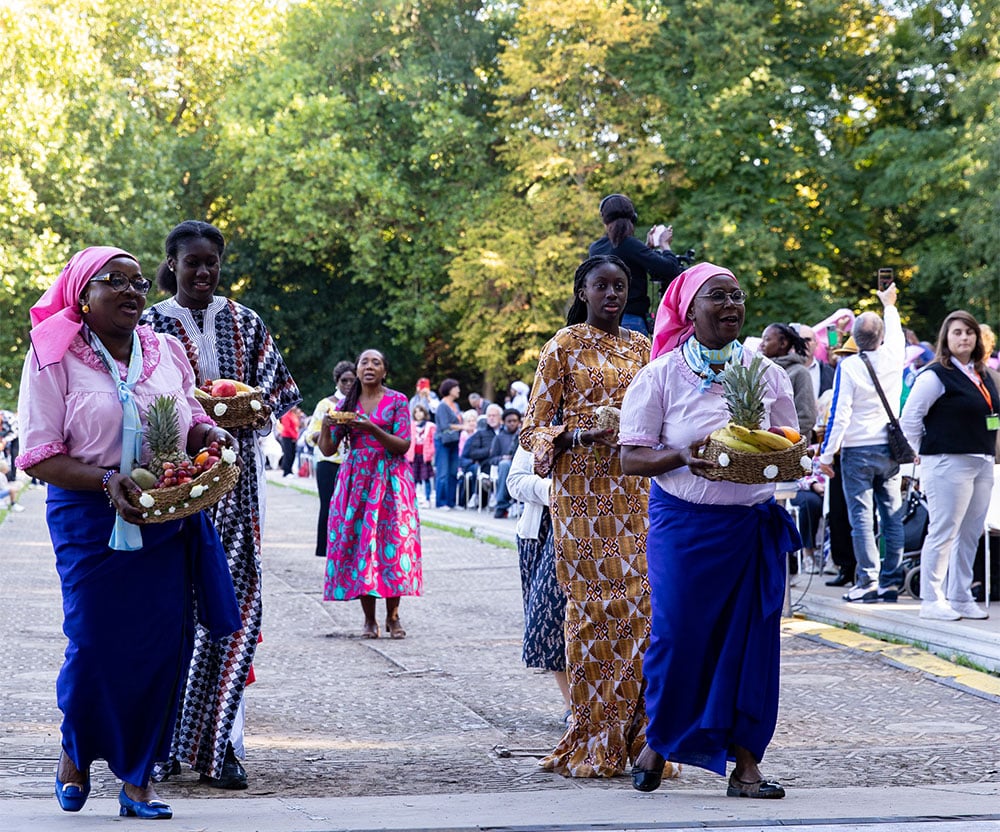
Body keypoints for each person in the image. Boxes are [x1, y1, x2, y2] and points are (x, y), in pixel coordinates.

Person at [16, 246, 240, 819]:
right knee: (92, 642)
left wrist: (209, 442)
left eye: (138, 282)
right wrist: (105, 480)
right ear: (81, 297)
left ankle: (139, 779)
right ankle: (75, 753)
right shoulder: (52, 354)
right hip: (89, 517)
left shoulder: (165, 350)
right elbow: (40, 454)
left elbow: (191, 418)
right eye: (112, 281)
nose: (131, 291)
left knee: (161, 648)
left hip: (163, 513)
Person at [620, 261, 798, 798]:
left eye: (737, 296)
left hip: (749, 527)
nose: (730, 306)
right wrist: (680, 454)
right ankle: (660, 740)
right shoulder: (661, 375)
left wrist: (787, 453)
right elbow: (630, 458)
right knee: (678, 636)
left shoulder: (766, 372)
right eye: (717, 296)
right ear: (688, 310)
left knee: (750, 645)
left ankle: (747, 767)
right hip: (684, 525)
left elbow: (788, 438)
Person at [143, 220, 301, 790]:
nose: (204, 272)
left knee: (232, 609)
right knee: (167, 610)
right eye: (193, 263)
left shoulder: (246, 323)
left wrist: (244, 410)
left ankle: (224, 744)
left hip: (237, 488)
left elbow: (275, 400)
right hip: (170, 486)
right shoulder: (149, 326)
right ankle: (161, 744)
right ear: (173, 264)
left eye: (212, 262)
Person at [519, 254, 651, 778]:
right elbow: (533, 431)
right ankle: (593, 734)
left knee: (640, 612)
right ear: (583, 291)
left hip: (636, 492)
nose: (613, 295)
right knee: (593, 617)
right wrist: (578, 436)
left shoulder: (642, 347)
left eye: (620, 286)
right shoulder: (562, 346)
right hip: (581, 495)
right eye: (602, 286)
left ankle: (640, 737)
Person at [901, 311, 998, 620]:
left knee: (971, 533)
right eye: (957, 332)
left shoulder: (981, 374)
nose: (964, 338)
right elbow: (910, 418)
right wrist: (924, 452)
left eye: (969, 332)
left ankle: (960, 594)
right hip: (946, 461)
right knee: (943, 530)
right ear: (946, 337)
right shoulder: (935, 375)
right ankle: (931, 598)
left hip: (981, 460)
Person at [319, 348, 422, 638]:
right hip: (356, 483)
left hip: (390, 481)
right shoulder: (346, 403)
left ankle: (393, 616)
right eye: (364, 361)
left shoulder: (398, 400)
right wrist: (327, 427)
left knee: (392, 545)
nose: (369, 366)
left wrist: (371, 427)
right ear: (357, 369)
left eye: (376, 362)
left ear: (384, 371)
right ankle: (369, 620)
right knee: (361, 548)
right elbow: (328, 449)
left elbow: (403, 445)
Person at [818, 285, 905, 604]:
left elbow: (840, 415)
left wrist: (826, 456)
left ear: (854, 338)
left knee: (862, 519)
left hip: (856, 451)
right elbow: (894, 333)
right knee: (892, 516)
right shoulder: (895, 356)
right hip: (890, 449)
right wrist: (889, 305)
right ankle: (891, 583)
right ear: (880, 337)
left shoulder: (849, 366)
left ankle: (867, 580)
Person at [505, 445, 570, 720]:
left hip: (595, 528)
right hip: (541, 533)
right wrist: (555, 492)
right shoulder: (540, 425)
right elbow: (515, 481)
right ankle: (572, 705)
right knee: (548, 621)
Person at [587, 193, 682, 336]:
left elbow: (625, 261)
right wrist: (665, 245)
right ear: (633, 218)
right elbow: (671, 270)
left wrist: (646, 248)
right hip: (631, 320)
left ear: (604, 220)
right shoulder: (629, 245)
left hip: (601, 323)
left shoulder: (595, 248)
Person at [305, 360, 357, 557]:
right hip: (329, 462)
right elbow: (310, 435)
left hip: (352, 463)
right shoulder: (326, 404)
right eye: (344, 380)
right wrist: (331, 432)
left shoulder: (359, 404)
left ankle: (348, 545)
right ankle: (325, 548)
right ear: (337, 381)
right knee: (328, 504)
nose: (348, 385)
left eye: (352, 381)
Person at [759, 323, 817, 439]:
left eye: (767, 339)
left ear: (783, 343)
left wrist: (783, 439)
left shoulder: (800, 372)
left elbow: (807, 417)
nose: (761, 344)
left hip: (791, 448)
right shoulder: (762, 371)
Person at [433, 379, 463, 509]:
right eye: (456, 388)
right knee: (443, 472)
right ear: (450, 389)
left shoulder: (455, 406)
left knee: (452, 472)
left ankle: (451, 502)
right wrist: (462, 427)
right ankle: (441, 502)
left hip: (454, 441)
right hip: (443, 442)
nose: (458, 390)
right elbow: (445, 425)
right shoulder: (442, 406)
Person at [790, 323, 835, 401]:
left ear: (816, 343)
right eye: (800, 340)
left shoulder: (829, 372)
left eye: (808, 340)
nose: (804, 344)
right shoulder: (784, 370)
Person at [490, 407, 522, 518]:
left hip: (521, 466)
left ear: (519, 422)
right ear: (504, 422)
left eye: (515, 421)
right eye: (509, 421)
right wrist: (502, 458)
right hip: (505, 468)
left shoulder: (523, 436)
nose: (512, 424)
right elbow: (492, 459)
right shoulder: (499, 438)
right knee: (505, 465)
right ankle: (501, 505)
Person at [406, 404, 436, 507]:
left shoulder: (430, 426)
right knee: (413, 479)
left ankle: (427, 499)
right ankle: (411, 499)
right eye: (416, 412)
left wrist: (431, 453)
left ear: (424, 413)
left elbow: (433, 441)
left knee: (426, 478)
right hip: (413, 456)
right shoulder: (411, 425)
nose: (418, 414)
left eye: (420, 411)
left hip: (425, 456)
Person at [278, 406, 302, 477]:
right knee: (288, 454)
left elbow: (296, 426)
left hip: (293, 437)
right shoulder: (286, 415)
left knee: (293, 454)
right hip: (287, 437)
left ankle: (290, 470)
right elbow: (287, 428)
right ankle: (286, 471)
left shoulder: (293, 415)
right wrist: (294, 436)